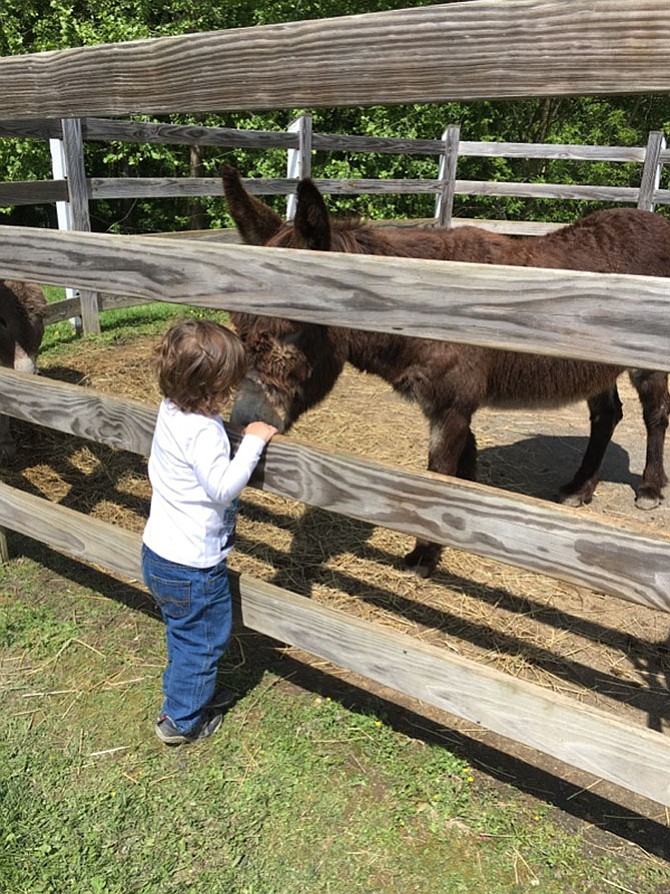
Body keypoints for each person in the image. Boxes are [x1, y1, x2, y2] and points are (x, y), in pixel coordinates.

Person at [141, 318, 277, 745]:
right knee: (203, 641)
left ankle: (190, 693)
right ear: (210, 389)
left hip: (158, 553)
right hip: (192, 566)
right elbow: (221, 488)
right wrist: (253, 442)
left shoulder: (170, 409)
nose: (232, 395)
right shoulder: (203, 431)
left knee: (185, 632)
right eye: (228, 387)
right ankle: (180, 721)